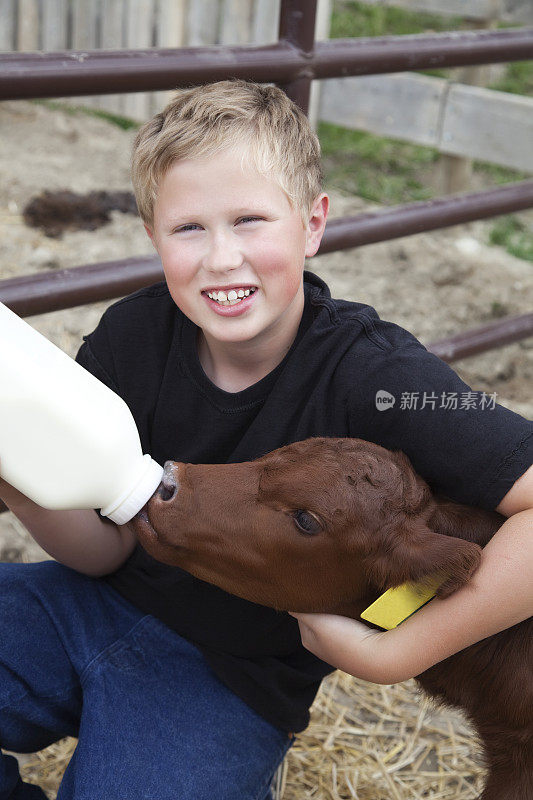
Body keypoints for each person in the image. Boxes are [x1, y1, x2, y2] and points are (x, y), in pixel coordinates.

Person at [0, 79, 531, 800]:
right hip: (86, 606)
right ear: (152, 233)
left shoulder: (379, 375)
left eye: (249, 219)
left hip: (231, 680)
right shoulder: (132, 337)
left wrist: (396, 651)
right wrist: (25, 483)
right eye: (189, 228)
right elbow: (106, 548)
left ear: (311, 223)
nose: (221, 258)